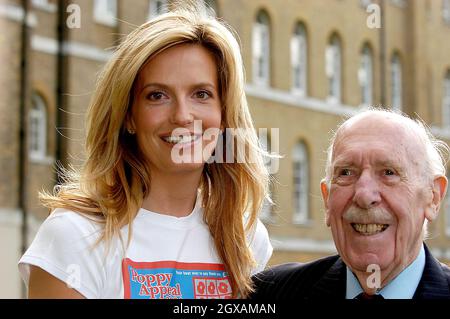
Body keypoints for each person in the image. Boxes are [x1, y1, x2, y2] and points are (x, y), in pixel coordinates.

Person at [19, 4, 272, 299]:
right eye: (157, 95)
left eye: (201, 94)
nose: (182, 115)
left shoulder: (246, 238)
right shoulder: (74, 236)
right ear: (128, 116)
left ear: (224, 113)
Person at [251, 109, 450, 299]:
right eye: (346, 173)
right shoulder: (266, 294)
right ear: (327, 198)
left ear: (433, 197)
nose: (363, 195)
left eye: (389, 172)